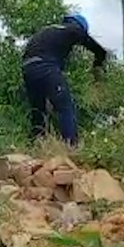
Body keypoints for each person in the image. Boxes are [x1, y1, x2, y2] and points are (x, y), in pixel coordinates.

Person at [21, 12, 108, 147]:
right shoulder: (72, 29)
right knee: (65, 106)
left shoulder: (48, 30)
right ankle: (71, 145)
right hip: (46, 66)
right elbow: (99, 50)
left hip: (28, 69)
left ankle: (36, 144)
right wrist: (97, 66)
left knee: (38, 110)